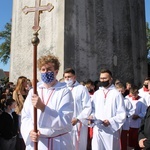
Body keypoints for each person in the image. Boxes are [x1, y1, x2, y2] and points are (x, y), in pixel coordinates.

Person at [21, 54, 74, 150]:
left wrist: (42, 107)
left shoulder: (64, 91)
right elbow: (26, 117)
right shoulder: (33, 91)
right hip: (38, 142)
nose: (46, 72)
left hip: (58, 142)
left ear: (56, 71)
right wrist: (30, 131)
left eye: (49, 69)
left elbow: (65, 119)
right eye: (43, 69)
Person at [90, 69, 126, 150]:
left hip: (111, 130)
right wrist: (91, 117)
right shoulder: (97, 94)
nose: (103, 80)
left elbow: (122, 114)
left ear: (111, 79)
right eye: (101, 78)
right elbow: (93, 109)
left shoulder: (116, 94)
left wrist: (110, 121)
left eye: (105, 78)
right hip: (98, 129)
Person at [63, 68, 92, 150]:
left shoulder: (82, 89)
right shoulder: (62, 89)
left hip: (78, 123)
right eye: (65, 77)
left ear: (74, 77)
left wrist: (78, 118)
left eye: (69, 76)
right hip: (65, 123)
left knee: (78, 146)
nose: (67, 79)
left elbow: (87, 106)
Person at [127, 85, 147, 150]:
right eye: (132, 94)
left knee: (137, 140)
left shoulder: (142, 100)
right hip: (130, 123)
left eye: (135, 94)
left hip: (138, 124)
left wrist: (138, 116)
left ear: (137, 92)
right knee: (130, 140)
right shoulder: (127, 99)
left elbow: (144, 112)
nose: (134, 96)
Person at [115, 82, 133, 150]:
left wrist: (126, 114)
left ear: (124, 91)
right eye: (118, 91)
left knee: (123, 139)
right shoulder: (113, 101)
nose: (120, 92)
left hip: (124, 123)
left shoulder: (126, 101)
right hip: (116, 123)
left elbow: (131, 110)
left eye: (121, 91)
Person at [13, 76, 28, 150]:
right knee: (21, 131)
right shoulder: (16, 92)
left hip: (27, 113)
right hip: (20, 113)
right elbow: (15, 103)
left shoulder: (27, 91)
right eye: (25, 81)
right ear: (21, 83)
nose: (27, 83)